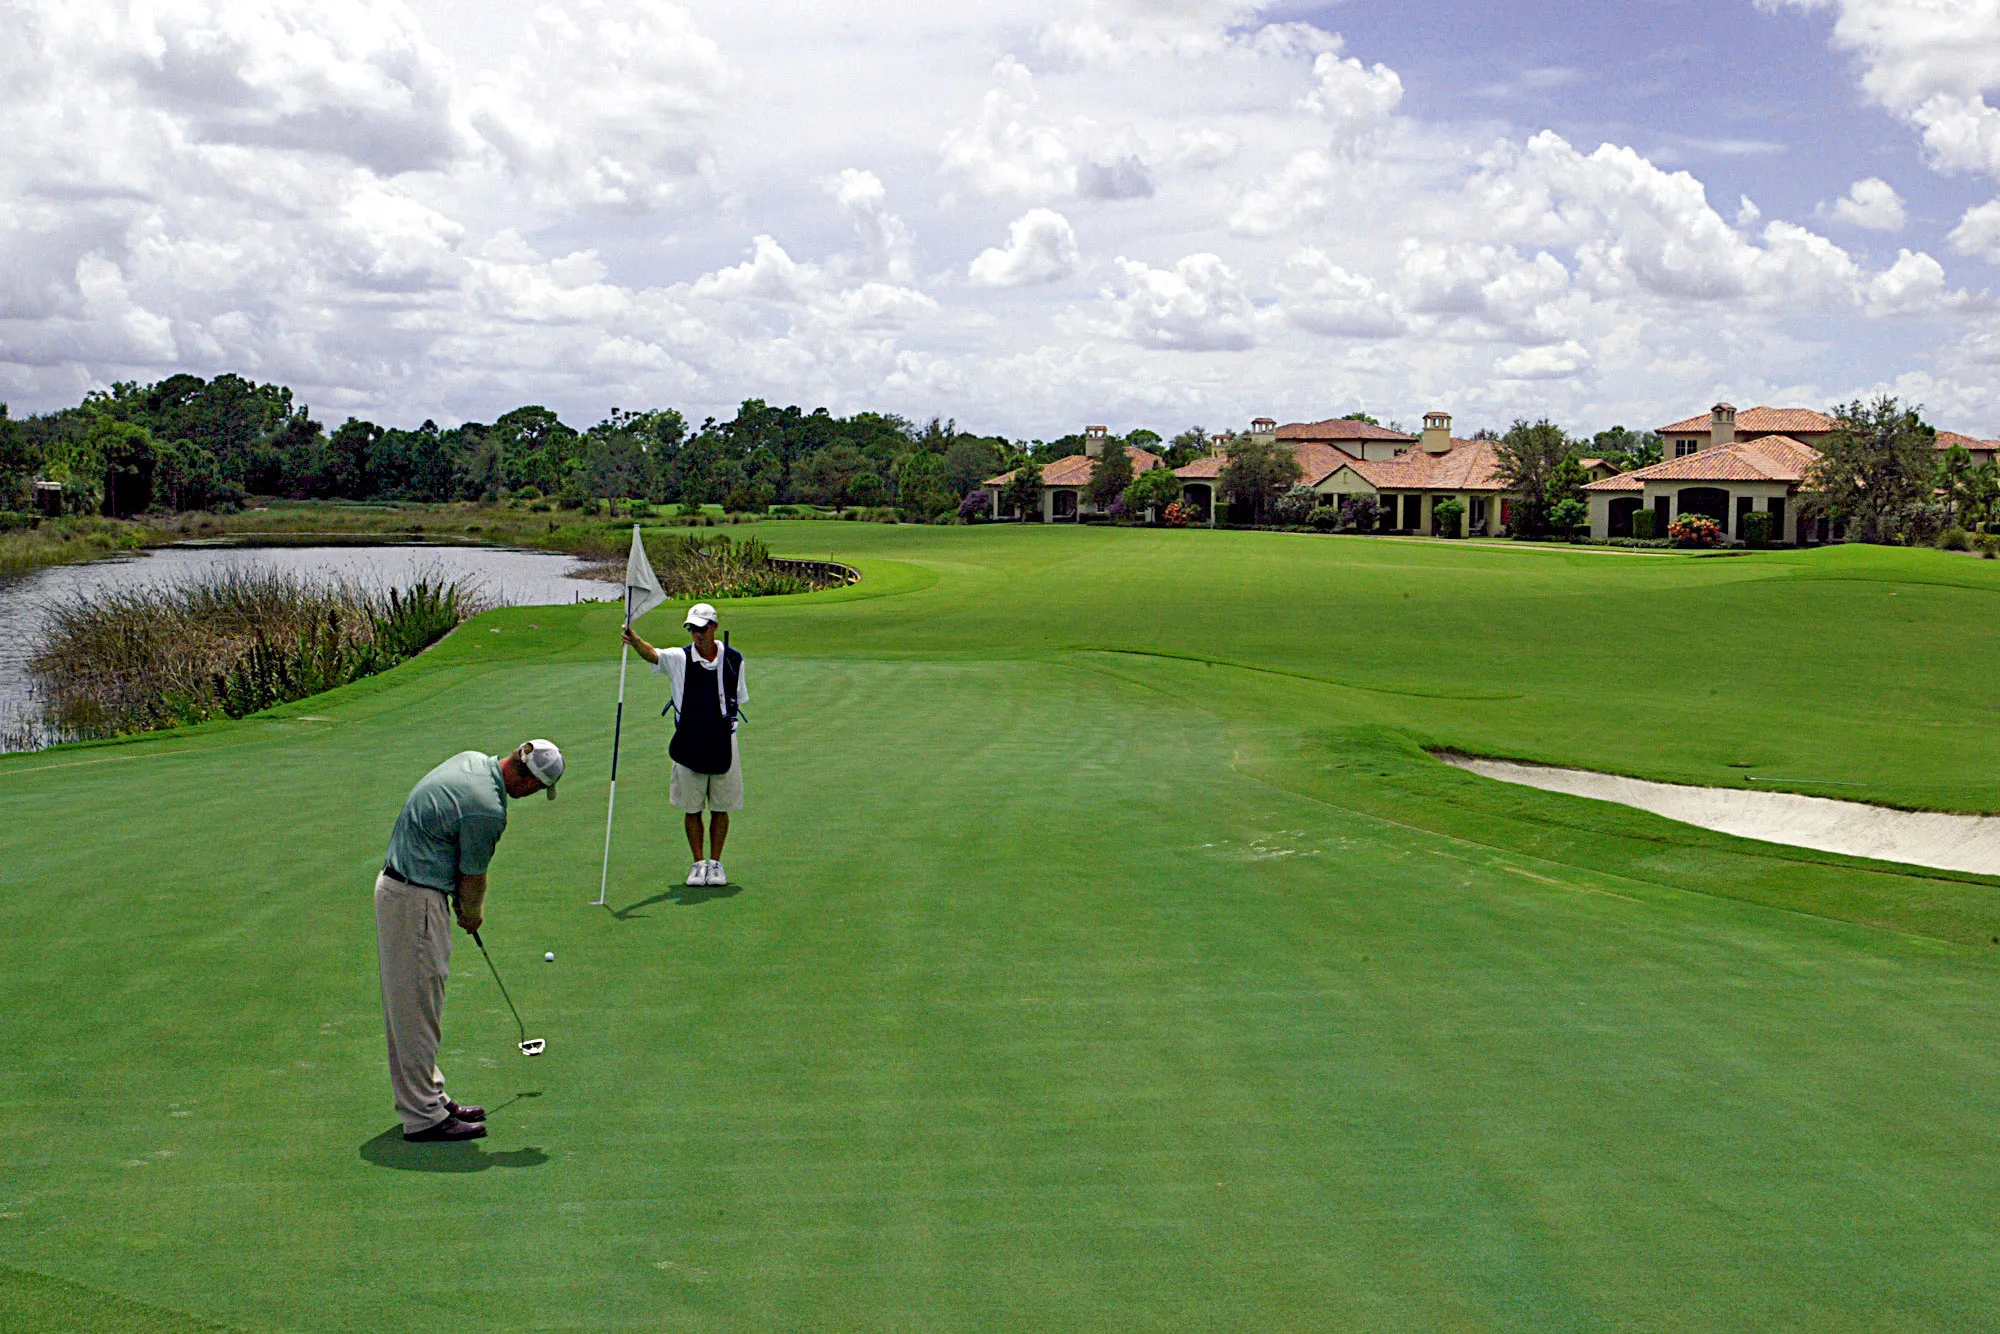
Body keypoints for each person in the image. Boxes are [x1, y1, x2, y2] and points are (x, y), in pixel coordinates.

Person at [375, 739, 564, 1142]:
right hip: (415, 899)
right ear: (529, 782)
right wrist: (471, 915)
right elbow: (473, 877)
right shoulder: (488, 809)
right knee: (416, 1010)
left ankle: (431, 1097)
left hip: (407, 889)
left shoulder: (474, 761)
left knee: (419, 1006)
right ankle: (423, 1115)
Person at [621, 601, 747, 888]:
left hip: (723, 741)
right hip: (689, 741)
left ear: (714, 627)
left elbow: (736, 699)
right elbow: (653, 655)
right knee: (691, 808)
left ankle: (715, 864)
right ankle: (697, 863)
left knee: (720, 806)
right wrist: (635, 639)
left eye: (702, 629)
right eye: (692, 629)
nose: (697, 634)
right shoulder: (679, 658)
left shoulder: (735, 660)